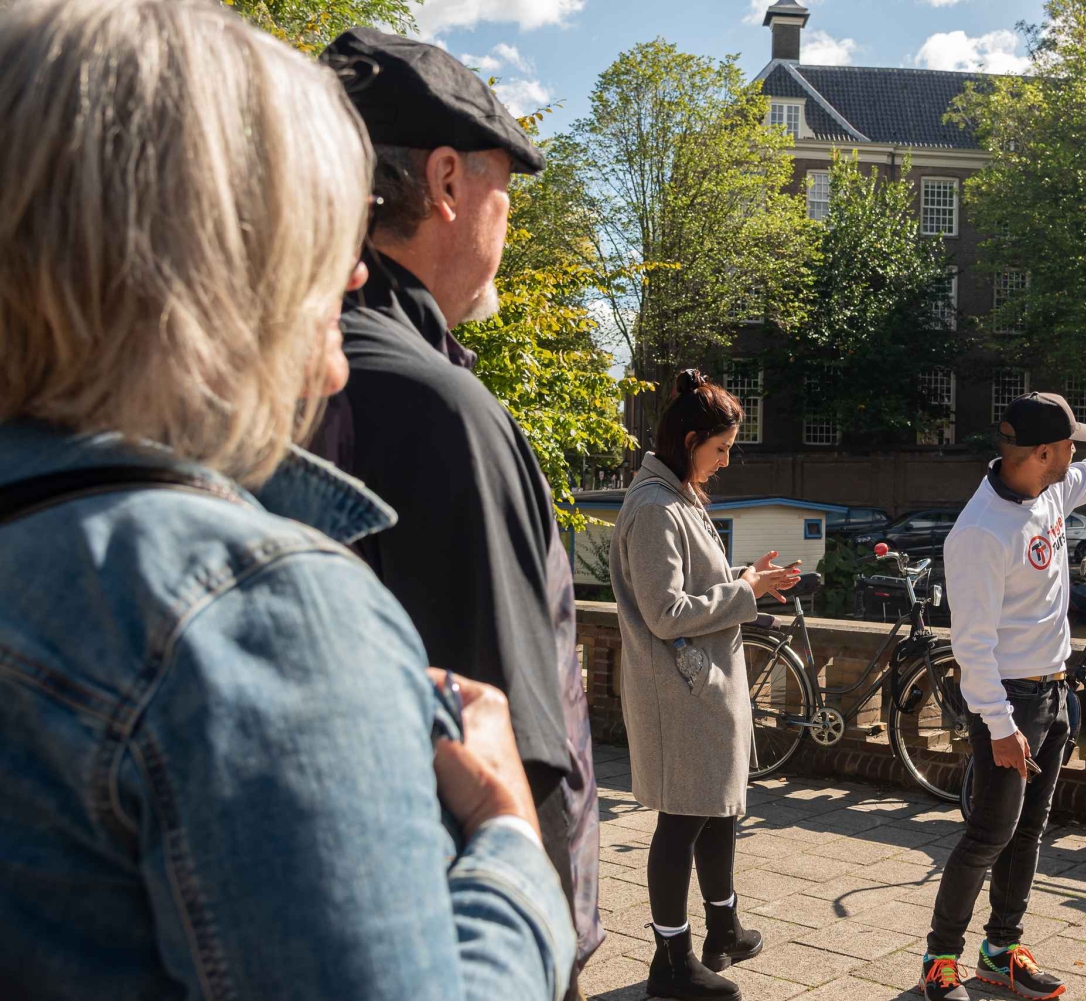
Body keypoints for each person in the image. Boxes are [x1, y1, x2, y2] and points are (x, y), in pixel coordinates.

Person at [0, 2, 573, 999]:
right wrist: (512, 843)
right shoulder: (253, 612)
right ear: (214, 258)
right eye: (317, 227)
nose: (352, 271)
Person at [310, 27, 603, 987]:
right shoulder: (441, 411)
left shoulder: (254, 372)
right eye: (503, 187)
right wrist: (547, 951)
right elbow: (513, 752)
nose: (509, 217)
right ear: (444, 181)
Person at [919, 393, 1086, 1001]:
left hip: (1053, 691)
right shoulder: (980, 533)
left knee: (1027, 832)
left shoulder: (1050, 489)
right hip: (1009, 703)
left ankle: (1001, 951)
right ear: (1043, 452)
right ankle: (939, 961)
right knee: (988, 834)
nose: (1076, 454)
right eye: (1069, 445)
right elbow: (972, 648)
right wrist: (999, 725)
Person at [609, 371, 803, 1001]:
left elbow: (694, 591)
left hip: (701, 689)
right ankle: (671, 961)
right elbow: (665, 612)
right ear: (690, 439)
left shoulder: (678, 495)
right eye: (719, 448)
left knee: (718, 809)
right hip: (681, 693)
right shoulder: (655, 507)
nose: (725, 461)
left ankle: (724, 928)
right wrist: (747, 591)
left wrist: (747, 579)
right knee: (681, 823)